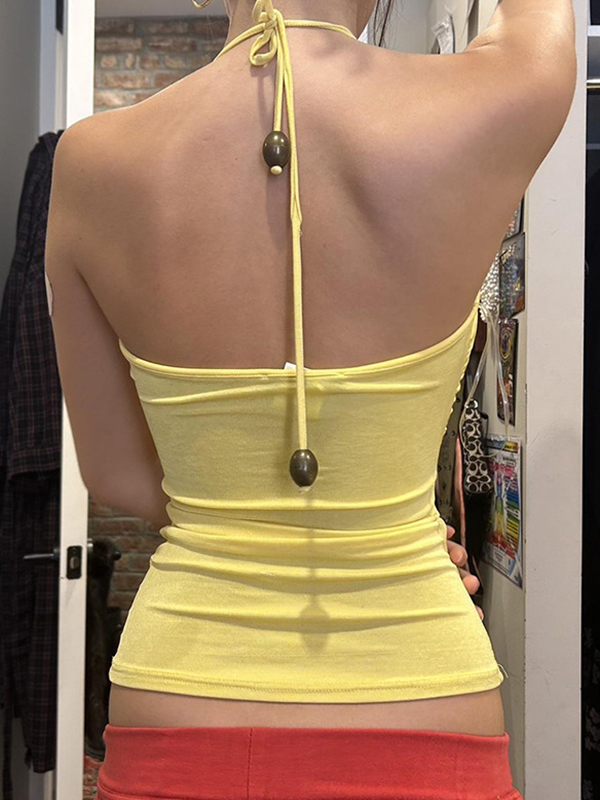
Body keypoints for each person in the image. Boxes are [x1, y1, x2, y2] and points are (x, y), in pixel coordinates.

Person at [45, 0, 576, 796]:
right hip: (424, 692)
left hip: (183, 694)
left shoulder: (92, 161)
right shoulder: (494, 95)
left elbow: (115, 473)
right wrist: (362, 521)